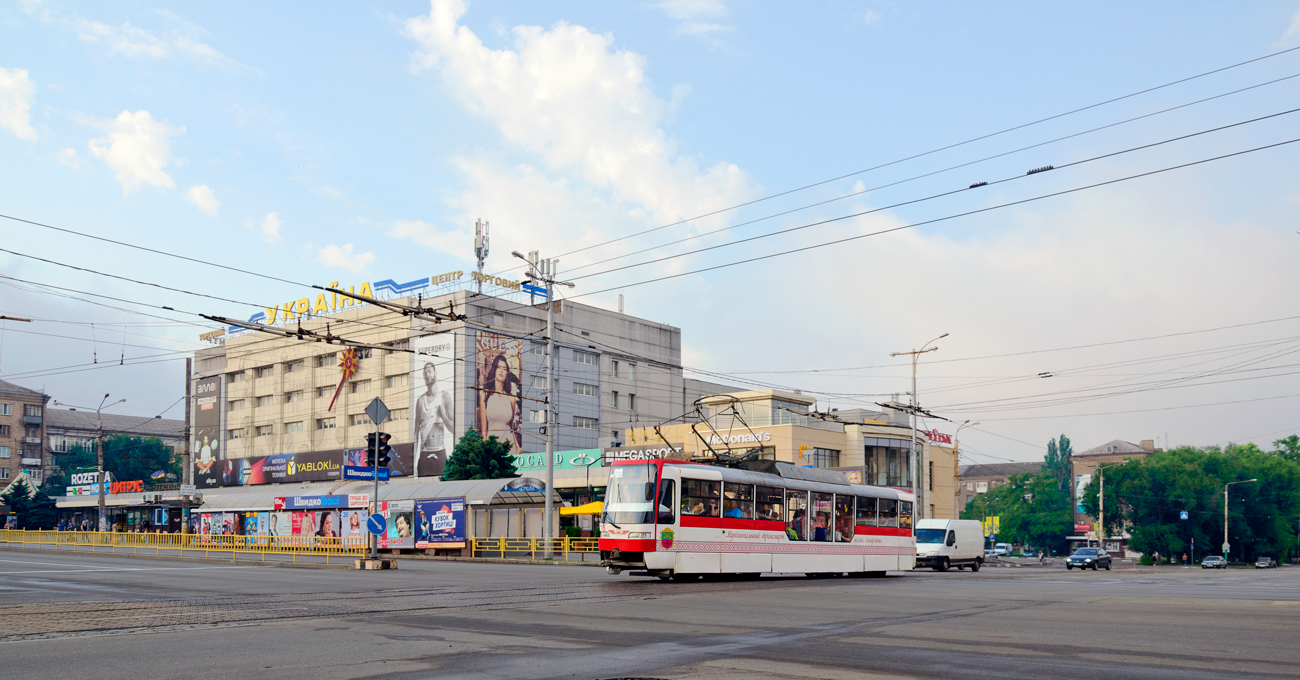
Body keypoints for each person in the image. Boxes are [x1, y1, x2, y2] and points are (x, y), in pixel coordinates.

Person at [414, 359, 455, 476]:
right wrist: (413, 464)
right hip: (424, 454)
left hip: (440, 453)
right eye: (424, 373)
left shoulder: (444, 396)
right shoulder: (420, 401)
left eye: (429, 371)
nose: (427, 375)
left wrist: (443, 416)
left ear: (435, 373)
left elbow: (453, 429)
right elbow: (416, 432)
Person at [478, 354, 522, 452]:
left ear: (507, 374)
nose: (501, 371)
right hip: (492, 445)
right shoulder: (485, 396)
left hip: (509, 445)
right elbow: (484, 432)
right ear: (494, 370)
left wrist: (518, 446)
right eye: (499, 367)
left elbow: (511, 427)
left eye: (504, 369)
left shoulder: (511, 398)